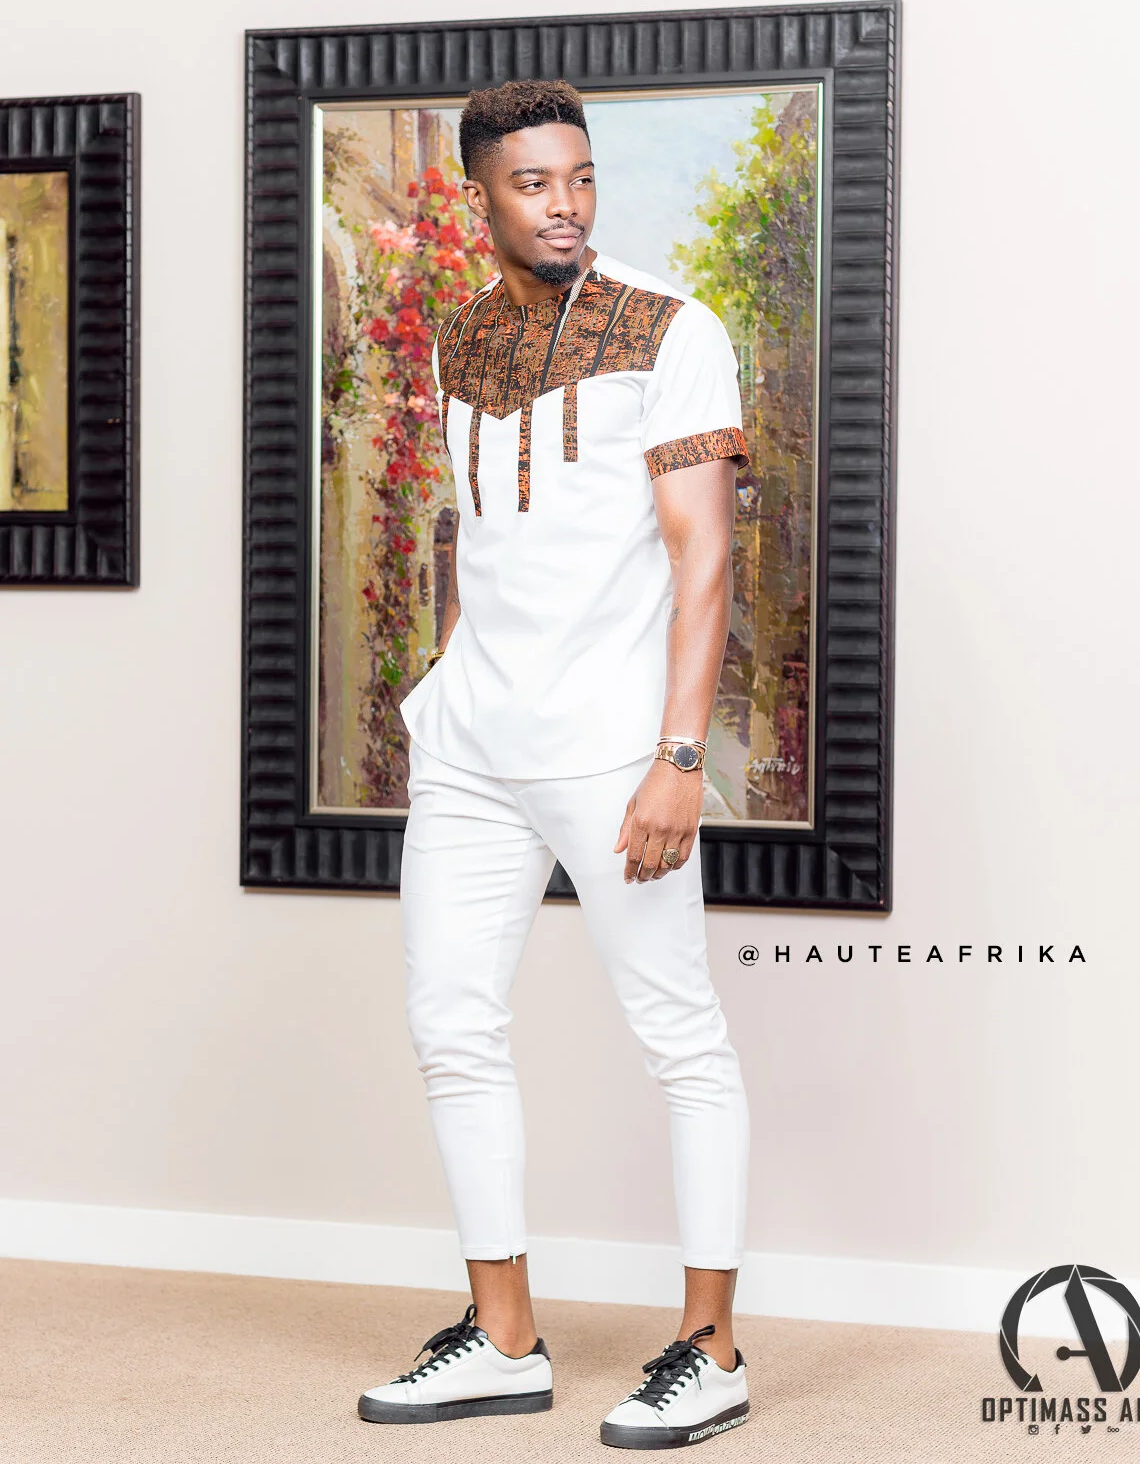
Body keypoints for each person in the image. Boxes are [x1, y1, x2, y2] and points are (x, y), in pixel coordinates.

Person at [356, 78, 752, 1451]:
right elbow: (482, 538)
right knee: (450, 1025)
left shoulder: (669, 328)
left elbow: (705, 554)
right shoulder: (459, 340)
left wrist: (679, 757)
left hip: (610, 751)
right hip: (473, 745)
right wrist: (450, 694)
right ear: (483, 195)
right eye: (535, 182)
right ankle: (503, 1337)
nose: (567, 203)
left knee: (679, 1036)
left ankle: (710, 1348)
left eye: (580, 176)